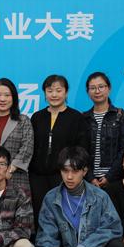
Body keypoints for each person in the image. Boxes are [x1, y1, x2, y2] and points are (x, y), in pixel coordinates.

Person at [29, 75, 89, 227]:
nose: (54, 95)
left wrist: (72, 169)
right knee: (39, 213)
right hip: (37, 176)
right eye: (50, 91)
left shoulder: (76, 117)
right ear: (44, 93)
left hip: (63, 175)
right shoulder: (37, 117)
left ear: (66, 92)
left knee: (63, 214)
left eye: (58, 90)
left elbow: (82, 148)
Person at [83, 71, 124, 187]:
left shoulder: (121, 116)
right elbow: (80, 151)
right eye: (92, 88)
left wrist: (109, 177)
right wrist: (90, 178)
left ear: (109, 89)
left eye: (101, 87)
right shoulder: (84, 118)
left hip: (116, 179)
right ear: (88, 92)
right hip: (88, 180)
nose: (97, 91)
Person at [0, 78, 34, 194]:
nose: (2, 99)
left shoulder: (23, 120)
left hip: (15, 176)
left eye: (7, 95)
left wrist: (10, 170)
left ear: (14, 98)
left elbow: (27, 147)